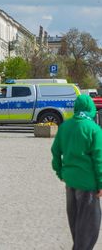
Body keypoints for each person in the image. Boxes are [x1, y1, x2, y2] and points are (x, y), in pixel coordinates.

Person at [51, 94, 102, 250]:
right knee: (88, 227)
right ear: (90, 108)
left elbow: (55, 151)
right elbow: (99, 159)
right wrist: (101, 183)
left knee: (75, 222)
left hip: (70, 181)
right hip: (88, 183)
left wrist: (60, 172)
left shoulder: (65, 126)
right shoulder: (94, 129)